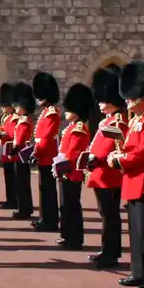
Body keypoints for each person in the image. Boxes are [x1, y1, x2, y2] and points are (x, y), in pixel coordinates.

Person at [108, 61, 144, 288]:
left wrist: (121, 160)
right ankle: (139, 272)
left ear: (143, 97)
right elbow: (133, 148)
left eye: (132, 99)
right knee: (136, 231)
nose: (128, 102)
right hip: (133, 181)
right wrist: (119, 151)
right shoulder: (136, 121)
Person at [85, 66, 127, 269]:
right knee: (106, 214)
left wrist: (95, 158)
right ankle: (108, 250)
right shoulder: (108, 121)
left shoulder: (118, 121)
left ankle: (111, 253)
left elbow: (112, 147)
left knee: (110, 215)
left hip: (109, 174)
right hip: (101, 173)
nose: (100, 103)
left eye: (104, 100)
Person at [55, 83, 93, 250]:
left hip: (71, 172)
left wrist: (62, 166)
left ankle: (74, 238)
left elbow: (74, 153)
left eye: (69, 111)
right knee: (65, 205)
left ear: (76, 112)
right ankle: (66, 234)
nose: (66, 113)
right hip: (64, 171)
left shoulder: (79, 129)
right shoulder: (72, 127)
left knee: (71, 206)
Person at [31, 72, 61, 233]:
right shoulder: (45, 112)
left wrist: (36, 152)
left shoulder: (51, 113)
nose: (38, 99)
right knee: (44, 188)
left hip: (47, 155)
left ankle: (50, 220)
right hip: (43, 154)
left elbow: (46, 137)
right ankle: (45, 218)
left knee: (48, 190)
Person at [10, 82, 35, 220]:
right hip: (20, 155)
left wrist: (13, 148)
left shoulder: (24, 121)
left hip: (21, 155)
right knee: (22, 183)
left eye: (18, 106)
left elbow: (19, 140)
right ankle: (25, 207)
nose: (15, 108)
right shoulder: (22, 119)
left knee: (22, 184)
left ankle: (24, 209)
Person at [0, 83, 17, 209]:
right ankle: (10, 199)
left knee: (13, 179)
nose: (2, 109)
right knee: (8, 178)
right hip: (5, 151)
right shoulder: (6, 117)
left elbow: (13, 134)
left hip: (11, 151)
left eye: (4, 107)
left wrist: (4, 138)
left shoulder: (14, 118)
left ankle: (14, 200)